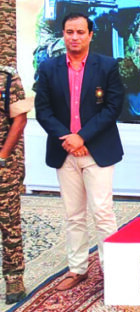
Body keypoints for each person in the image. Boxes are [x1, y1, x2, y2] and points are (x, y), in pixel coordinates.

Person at [35, 12, 124, 291]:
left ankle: (114, 273)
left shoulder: (107, 66)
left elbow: (113, 108)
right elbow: (43, 110)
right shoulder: (48, 68)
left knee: (103, 212)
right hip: (65, 151)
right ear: (63, 34)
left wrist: (82, 137)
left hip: (97, 150)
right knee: (74, 214)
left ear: (90, 35)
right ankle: (77, 269)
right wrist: (68, 138)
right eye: (70, 32)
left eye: (80, 32)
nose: (75, 37)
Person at [33, 0, 140, 121]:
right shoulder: (57, 9)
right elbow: (41, 61)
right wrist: (85, 35)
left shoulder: (131, 8)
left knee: (138, 100)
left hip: (122, 93)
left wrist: (125, 35)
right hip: (76, 92)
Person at [0, 66, 32, 304]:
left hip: (5, 165)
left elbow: (19, 120)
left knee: (8, 220)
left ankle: (14, 278)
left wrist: (3, 156)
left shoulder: (7, 78)